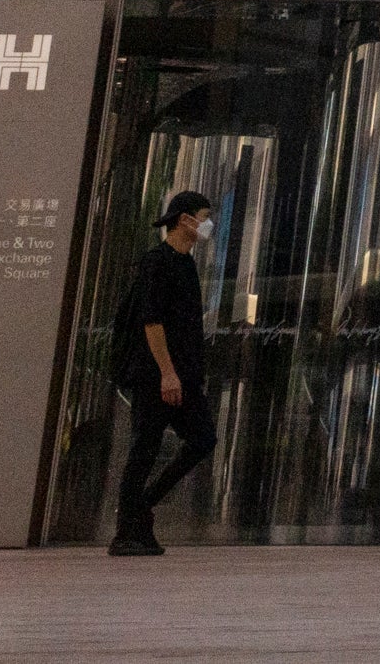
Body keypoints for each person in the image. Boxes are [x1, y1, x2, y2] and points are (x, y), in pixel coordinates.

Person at [107, 189, 217, 553]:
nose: (207, 224)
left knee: (202, 438)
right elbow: (151, 323)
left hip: (182, 374)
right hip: (157, 375)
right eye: (204, 216)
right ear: (185, 220)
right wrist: (167, 373)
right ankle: (126, 532)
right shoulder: (157, 262)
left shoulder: (185, 263)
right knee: (145, 446)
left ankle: (142, 505)